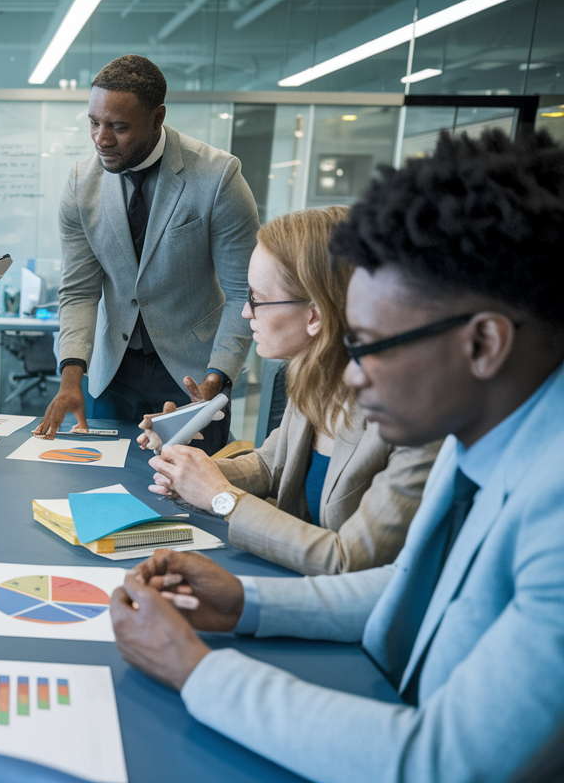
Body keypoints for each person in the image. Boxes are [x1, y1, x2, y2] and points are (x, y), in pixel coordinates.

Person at [109, 130, 564, 783]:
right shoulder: (484, 439)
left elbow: (443, 763)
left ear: (483, 343)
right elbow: (411, 587)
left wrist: (195, 668)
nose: (351, 376)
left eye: (374, 344)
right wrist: (246, 603)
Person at [141, 206, 439, 575]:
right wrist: (193, 475)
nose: (247, 314)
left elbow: (349, 560)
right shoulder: (312, 375)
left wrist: (220, 497)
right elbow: (271, 464)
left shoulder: (414, 420)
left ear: (314, 315)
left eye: (256, 299)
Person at [35, 55, 258, 452]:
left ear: (157, 118)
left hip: (192, 379)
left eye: (118, 127)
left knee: (190, 497)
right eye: (94, 122)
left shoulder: (218, 177)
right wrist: (71, 378)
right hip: (111, 374)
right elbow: (79, 291)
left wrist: (217, 376)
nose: (101, 138)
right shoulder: (80, 183)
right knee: (103, 495)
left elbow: (243, 292)